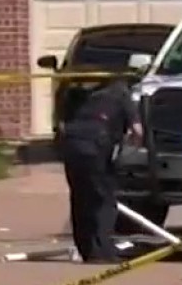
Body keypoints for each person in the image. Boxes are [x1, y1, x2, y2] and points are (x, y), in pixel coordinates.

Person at [57, 75, 143, 262]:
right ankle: (103, 252)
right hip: (98, 149)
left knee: (80, 199)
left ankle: (86, 250)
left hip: (72, 148)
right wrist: (128, 149)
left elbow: (61, 125)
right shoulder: (120, 93)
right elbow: (138, 131)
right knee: (104, 200)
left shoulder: (73, 92)